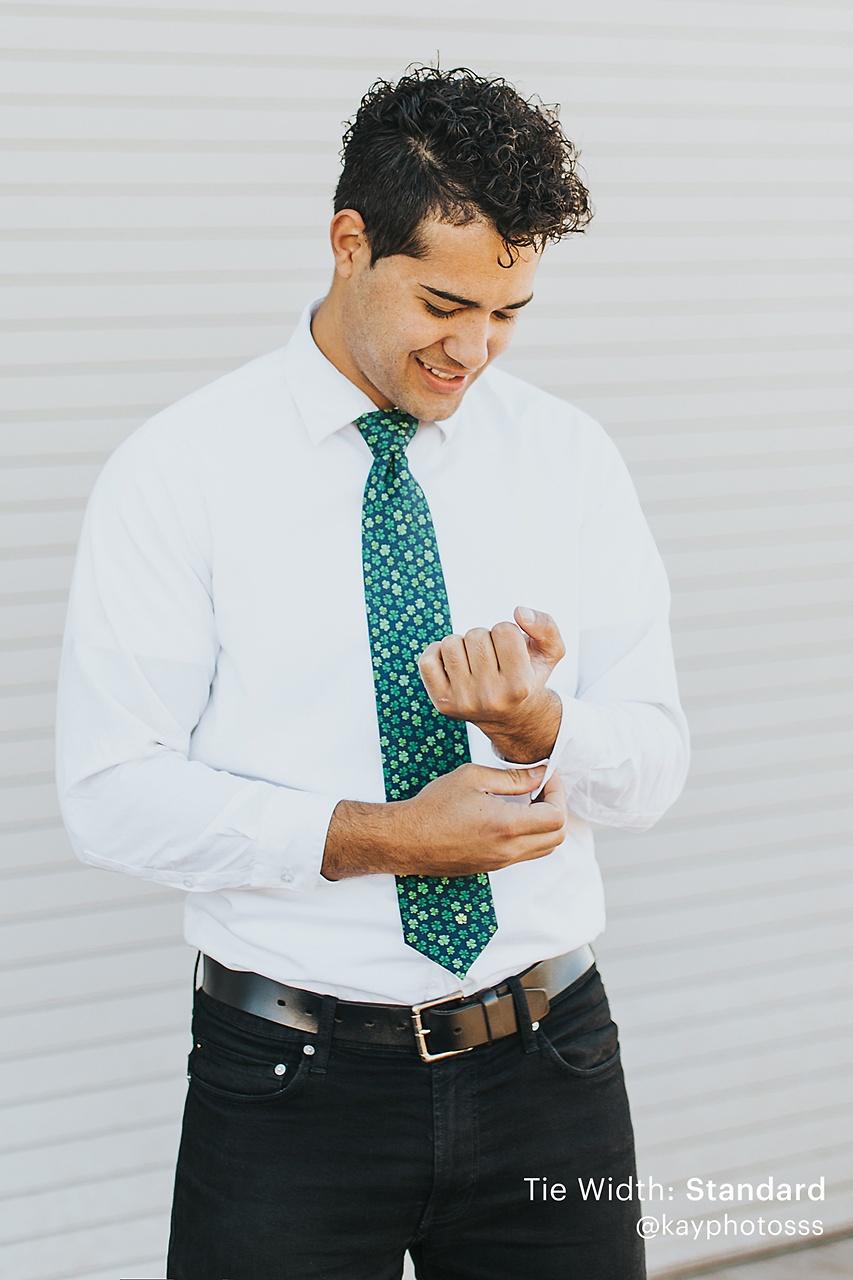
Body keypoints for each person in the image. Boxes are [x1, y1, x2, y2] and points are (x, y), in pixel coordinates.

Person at [54, 63, 690, 1280]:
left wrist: (539, 723)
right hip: (289, 1086)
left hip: (552, 1061)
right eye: (445, 302)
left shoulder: (568, 458)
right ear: (351, 243)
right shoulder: (179, 471)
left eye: (508, 313)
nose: (474, 349)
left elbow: (653, 771)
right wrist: (394, 835)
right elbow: (110, 793)